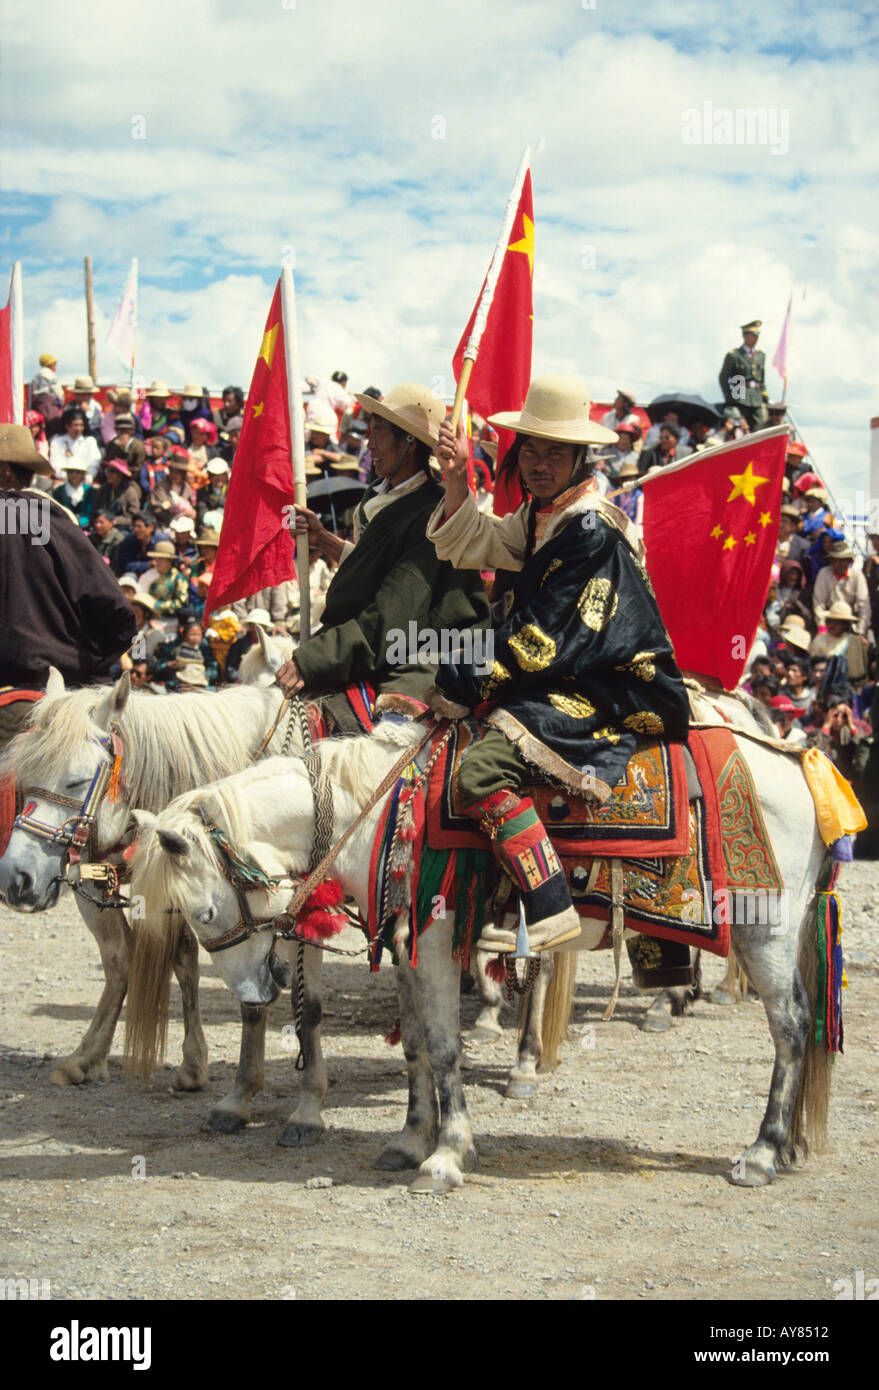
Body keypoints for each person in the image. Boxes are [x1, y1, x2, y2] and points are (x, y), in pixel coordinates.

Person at [426, 374, 690, 954]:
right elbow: (477, 541)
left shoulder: (590, 529)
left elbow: (538, 640)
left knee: (480, 770)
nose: (538, 463)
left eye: (554, 452)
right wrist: (454, 476)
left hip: (611, 686)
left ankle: (549, 907)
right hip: (567, 669)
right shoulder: (546, 515)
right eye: (530, 450)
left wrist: (457, 678)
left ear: (580, 458)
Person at [275, 381, 490, 719]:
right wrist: (323, 539)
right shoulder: (379, 497)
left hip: (424, 645)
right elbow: (375, 572)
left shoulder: (431, 514)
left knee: (388, 730)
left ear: (408, 441)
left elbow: (391, 617)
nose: (369, 444)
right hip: (383, 636)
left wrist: (314, 660)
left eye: (378, 433)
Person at [0, 423, 136, 736]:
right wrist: (92, 666)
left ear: (6, 472)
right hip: (53, 700)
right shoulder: (45, 518)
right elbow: (113, 607)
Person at [718, 319, 769, 430]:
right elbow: (723, 377)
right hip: (739, 393)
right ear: (745, 336)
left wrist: (764, 396)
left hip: (756, 396)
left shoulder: (761, 355)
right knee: (740, 425)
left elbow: (761, 380)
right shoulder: (734, 355)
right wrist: (729, 396)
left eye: (757, 335)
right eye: (753, 335)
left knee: (761, 426)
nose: (756, 338)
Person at [812, 541, 870, 635]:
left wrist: (860, 631)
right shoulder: (824, 573)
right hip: (829, 621)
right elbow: (818, 603)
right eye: (837, 560)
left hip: (851, 623)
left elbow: (864, 606)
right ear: (831, 561)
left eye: (844, 560)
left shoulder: (857, 576)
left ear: (850, 561)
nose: (841, 564)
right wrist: (822, 627)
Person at [49, 406, 102, 480]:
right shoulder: (57, 442)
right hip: (63, 481)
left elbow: (94, 464)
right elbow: (55, 465)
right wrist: (70, 478)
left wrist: (88, 477)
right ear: (67, 426)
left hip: (86, 481)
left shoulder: (90, 441)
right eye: (75, 425)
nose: (78, 428)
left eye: (81, 425)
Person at [94, 457, 142, 531]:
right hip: (102, 524)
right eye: (107, 470)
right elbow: (96, 508)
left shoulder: (129, 491)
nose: (108, 474)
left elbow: (133, 516)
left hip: (121, 528)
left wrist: (115, 521)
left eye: (112, 471)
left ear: (120, 474)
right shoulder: (103, 489)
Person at [144, 539, 191, 616]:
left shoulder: (178, 578)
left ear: (169, 560)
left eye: (161, 559)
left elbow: (182, 602)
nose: (157, 561)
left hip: (170, 619)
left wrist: (159, 605)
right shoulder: (149, 574)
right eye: (156, 558)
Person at [27, 353, 64, 436]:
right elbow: (58, 391)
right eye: (55, 364)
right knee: (54, 424)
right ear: (51, 365)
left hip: (38, 404)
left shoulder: (36, 376)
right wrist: (61, 401)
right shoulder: (50, 375)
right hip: (49, 404)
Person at [53, 463, 96, 529]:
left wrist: (78, 524)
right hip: (63, 526)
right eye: (71, 472)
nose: (74, 475)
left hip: (84, 528)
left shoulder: (90, 491)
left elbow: (89, 514)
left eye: (77, 472)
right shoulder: (59, 491)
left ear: (83, 474)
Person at [89, 508, 126, 574]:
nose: (97, 525)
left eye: (101, 522)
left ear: (111, 523)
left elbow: (117, 565)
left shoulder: (118, 539)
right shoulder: (91, 538)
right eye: (96, 522)